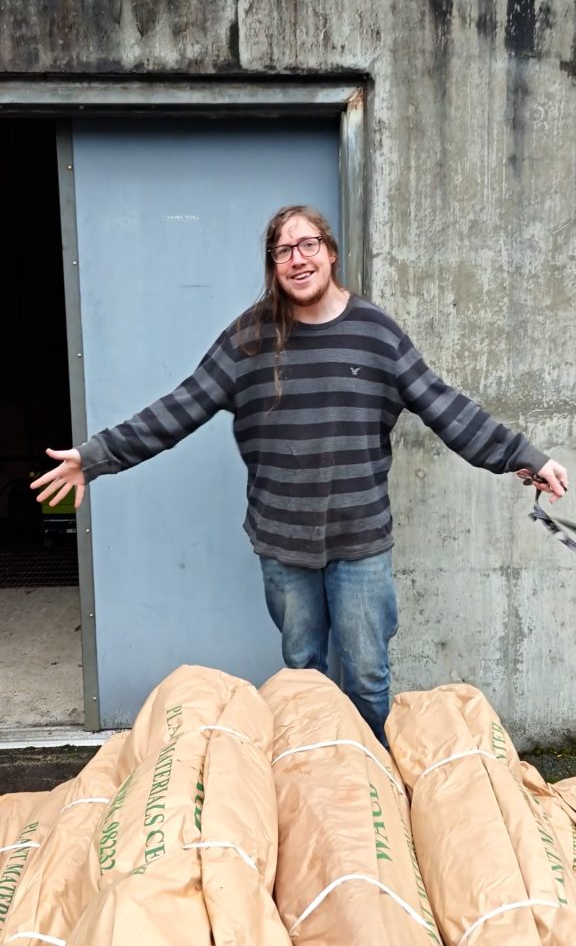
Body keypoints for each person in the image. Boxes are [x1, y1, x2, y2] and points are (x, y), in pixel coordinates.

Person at [31, 205, 568, 744]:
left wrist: (524, 455)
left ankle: (370, 786)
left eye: (308, 245)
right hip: (283, 544)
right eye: (283, 251)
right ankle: (313, 780)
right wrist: (95, 456)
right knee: (303, 674)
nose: (297, 259)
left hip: (360, 543)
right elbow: (179, 408)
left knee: (366, 678)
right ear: (273, 265)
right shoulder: (249, 338)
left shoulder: (376, 334)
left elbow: (446, 407)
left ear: (330, 253)